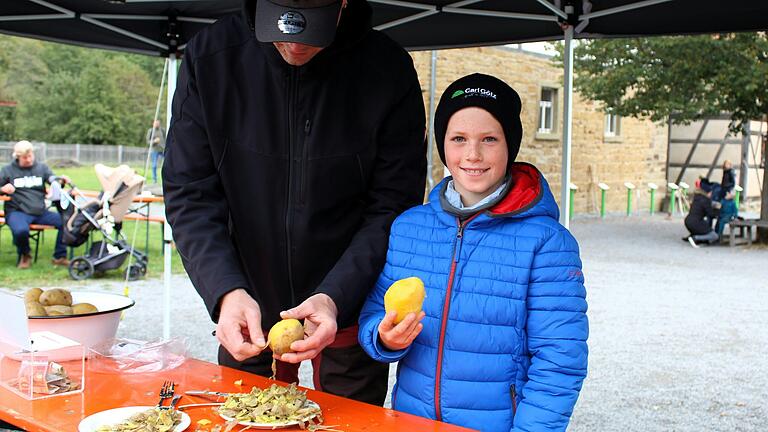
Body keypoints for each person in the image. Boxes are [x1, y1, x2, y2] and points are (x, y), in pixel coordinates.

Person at [162, 0, 426, 405]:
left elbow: (392, 207)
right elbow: (190, 191)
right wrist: (225, 290)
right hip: (247, 302)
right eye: (280, 29)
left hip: (348, 305)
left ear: (342, 4)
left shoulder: (387, 70)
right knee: (243, 418)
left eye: (310, 30)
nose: (295, 47)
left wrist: (337, 295)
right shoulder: (211, 58)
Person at [358, 74, 588, 431]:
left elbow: (560, 361)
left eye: (490, 139)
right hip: (411, 421)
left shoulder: (547, 242)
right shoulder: (409, 227)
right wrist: (384, 338)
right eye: (459, 139)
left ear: (510, 145)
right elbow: (374, 313)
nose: (473, 155)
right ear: (442, 145)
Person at [0, 140, 70, 269]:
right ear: (17, 157)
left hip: (40, 211)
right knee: (20, 230)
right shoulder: (7, 171)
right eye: (25, 157)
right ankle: (25, 255)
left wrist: (60, 180)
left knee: (66, 222)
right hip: (17, 211)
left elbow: (52, 179)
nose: (28, 159)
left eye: (30, 155)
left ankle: (59, 256)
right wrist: (3, 189)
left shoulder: (41, 168)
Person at [684, 178, 720, 247]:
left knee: (704, 225)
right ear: (708, 192)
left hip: (688, 221)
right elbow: (711, 214)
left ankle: (694, 236)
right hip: (696, 222)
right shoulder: (706, 200)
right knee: (714, 236)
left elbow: (702, 206)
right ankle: (695, 238)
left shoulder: (697, 197)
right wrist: (718, 210)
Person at [146, 119, 166, 184]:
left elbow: (166, 139)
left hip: (163, 149)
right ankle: (154, 179)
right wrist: (154, 141)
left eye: (158, 123)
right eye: (156, 123)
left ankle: (165, 179)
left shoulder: (162, 130)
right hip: (155, 150)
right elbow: (148, 141)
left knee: (167, 164)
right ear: (153, 124)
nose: (157, 124)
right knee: (154, 165)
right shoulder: (151, 131)